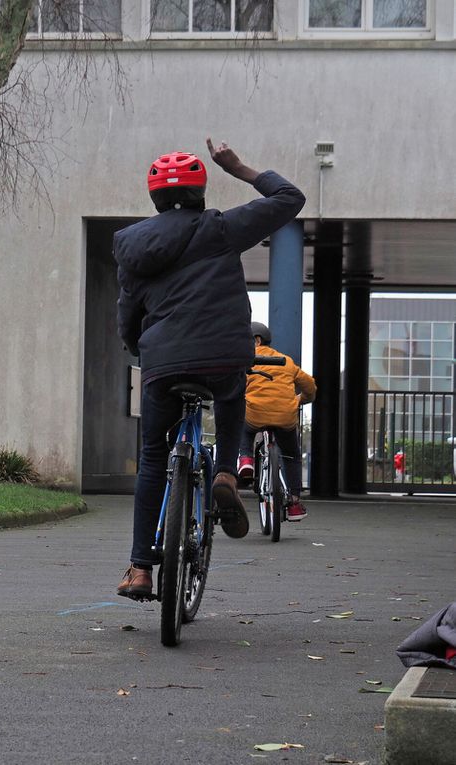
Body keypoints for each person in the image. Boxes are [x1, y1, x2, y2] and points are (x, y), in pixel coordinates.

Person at [114, 139, 305, 600]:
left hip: (161, 361)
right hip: (223, 353)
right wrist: (238, 167)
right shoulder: (220, 228)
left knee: (154, 461)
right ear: (200, 193)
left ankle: (141, 568)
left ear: (155, 199)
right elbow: (289, 199)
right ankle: (224, 473)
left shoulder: (130, 243)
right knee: (231, 390)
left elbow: (128, 313)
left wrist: (139, 349)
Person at [238, 322, 316, 521]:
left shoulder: (246, 360)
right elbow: (310, 386)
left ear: (256, 340)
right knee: (291, 454)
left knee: (243, 428)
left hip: (254, 414)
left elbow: (234, 385)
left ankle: (246, 460)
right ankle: (295, 503)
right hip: (285, 417)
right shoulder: (287, 361)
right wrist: (301, 400)